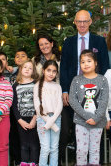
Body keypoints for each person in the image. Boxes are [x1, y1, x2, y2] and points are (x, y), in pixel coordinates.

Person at [59, 10, 110, 164]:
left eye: (85, 21)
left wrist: (100, 90)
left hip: (96, 93)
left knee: (96, 136)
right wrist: (65, 90)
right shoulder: (68, 42)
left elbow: (105, 67)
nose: (82, 24)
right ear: (74, 22)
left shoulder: (99, 41)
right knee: (78, 131)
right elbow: (65, 68)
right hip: (75, 92)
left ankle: (96, 162)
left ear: (90, 22)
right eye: (79, 21)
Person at [69, 49, 108, 165]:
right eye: (82, 62)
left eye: (89, 61)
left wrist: (96, 118)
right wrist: (87, 116)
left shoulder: (102, 80)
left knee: (95, 150)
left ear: (95, 63)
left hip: (98, 121)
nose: (86, 64)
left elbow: (104, 101)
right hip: (81, 121)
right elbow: (72, 100)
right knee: (81, 150)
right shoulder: (76, 80)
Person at [34, 60, 63, 166]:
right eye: (49, 70)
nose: (51, 73)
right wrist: (49, 121)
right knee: (45, 148)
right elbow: (37, 107)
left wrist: (53, 120)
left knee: (54, 148)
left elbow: (59, 105)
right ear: (43, 70)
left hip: (56, 118)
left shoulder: (57, 86)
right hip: (43, 119)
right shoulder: (37, 86)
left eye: (54, 71)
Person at [12, 60, 39, 166]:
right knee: (23, 144)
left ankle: (34, 163)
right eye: (25, 67)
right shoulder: (15, 86)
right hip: (21, 120)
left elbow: (39, 102)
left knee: (34, 144)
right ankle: (24, 163)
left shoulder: (36, 84)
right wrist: (20, 120)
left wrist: (34, 118)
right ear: (20, 69)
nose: (27, 69)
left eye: (30, 68)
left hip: (34, 118)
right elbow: (14, 105)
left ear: (33, 71)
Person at [10, 49, 28, 166]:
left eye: (23, 56)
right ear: (15, 60)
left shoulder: (30, 73)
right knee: (15, 136)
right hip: (13, 110)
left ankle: (29, 160)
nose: (20, 58)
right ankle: (17, 160)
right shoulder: (11, 73)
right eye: (17, 56)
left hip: (27, 110)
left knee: (27, 137)